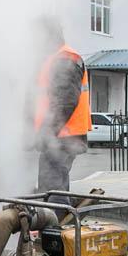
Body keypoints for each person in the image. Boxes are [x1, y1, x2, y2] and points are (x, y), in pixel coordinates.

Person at [33, 17, 91, 209]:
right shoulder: (56, 58)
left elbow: (64, 102)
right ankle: (54, 229)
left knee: (53, 192)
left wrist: (47, 134)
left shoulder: (66, 58)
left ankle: (54, 233)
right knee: (52, 188)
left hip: (62, 137)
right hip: (61, 137)